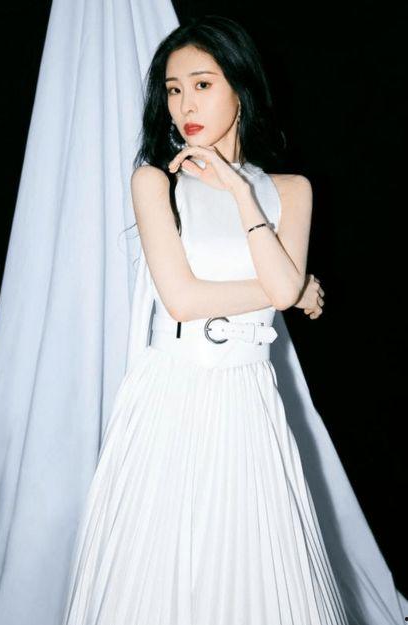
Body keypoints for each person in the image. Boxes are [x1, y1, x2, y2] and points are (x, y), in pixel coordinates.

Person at [61, 16, 403, 625]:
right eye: (173, 90)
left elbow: (281, 286)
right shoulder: (154, 182)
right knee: (159, 576)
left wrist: (242, 193)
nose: (184, 104)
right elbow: (184, 299)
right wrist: (294, 289)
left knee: (253, 571)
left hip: (248, 395)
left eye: (202, 84)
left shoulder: (290, 190)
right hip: (172, 393)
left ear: (240, 90)